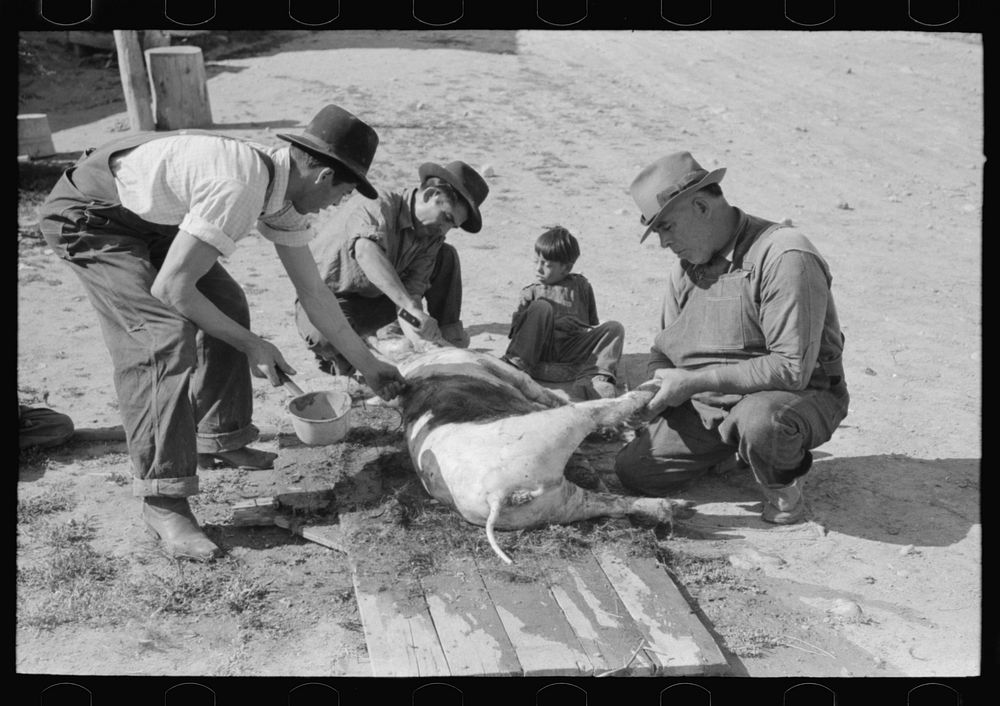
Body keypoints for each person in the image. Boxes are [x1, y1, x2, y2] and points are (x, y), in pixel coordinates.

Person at [37, 104, 406, 561]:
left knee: (226, 303)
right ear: (324, 178)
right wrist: (252, 345)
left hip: (151, 216)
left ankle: (220, 438)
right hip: (93, 216)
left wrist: (369, 365)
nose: (339, 204)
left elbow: (314, 293)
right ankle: (162, 499)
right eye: (347, 192)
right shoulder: (242, 186)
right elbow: (172, 288)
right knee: (161, 338)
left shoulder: (282, 191)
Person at [614, 152, 849, 524]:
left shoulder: (785, 255)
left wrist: (692, 382)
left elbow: (792, 370)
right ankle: (731, 449)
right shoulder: (687, 266)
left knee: (760, 423)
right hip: (710, 401)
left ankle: (783, 484)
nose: (663, 244)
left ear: (701, 207)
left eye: (667, 228)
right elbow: (663, 350)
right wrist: (655, 391)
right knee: (637, 472)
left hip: (795, 397)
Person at [296, 160, 489, 375]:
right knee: (323, 339)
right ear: (429, 195)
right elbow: (365, 251)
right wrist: (409, 306)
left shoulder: (432, 236)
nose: (444, 230)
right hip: (327, 298)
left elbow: (412, 294)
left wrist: (425, 343)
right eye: (446, 218)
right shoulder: (379, 203)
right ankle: (365, 343)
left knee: (446, 255)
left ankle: (444, 339)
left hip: (381, 299)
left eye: (452, 226)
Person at [502, 226, 624, 399]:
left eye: (547, 264)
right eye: (536, 261)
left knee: (614, 327)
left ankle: (594, 378)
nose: (538, 268)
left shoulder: (582, 286)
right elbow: (517, 334)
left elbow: (590, 324)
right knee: (541, 307)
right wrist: (554, 324)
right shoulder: (530, 292)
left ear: (566, 268)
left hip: (571, 351)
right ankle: (514, 370)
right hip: (540, 352)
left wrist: (580, 330)